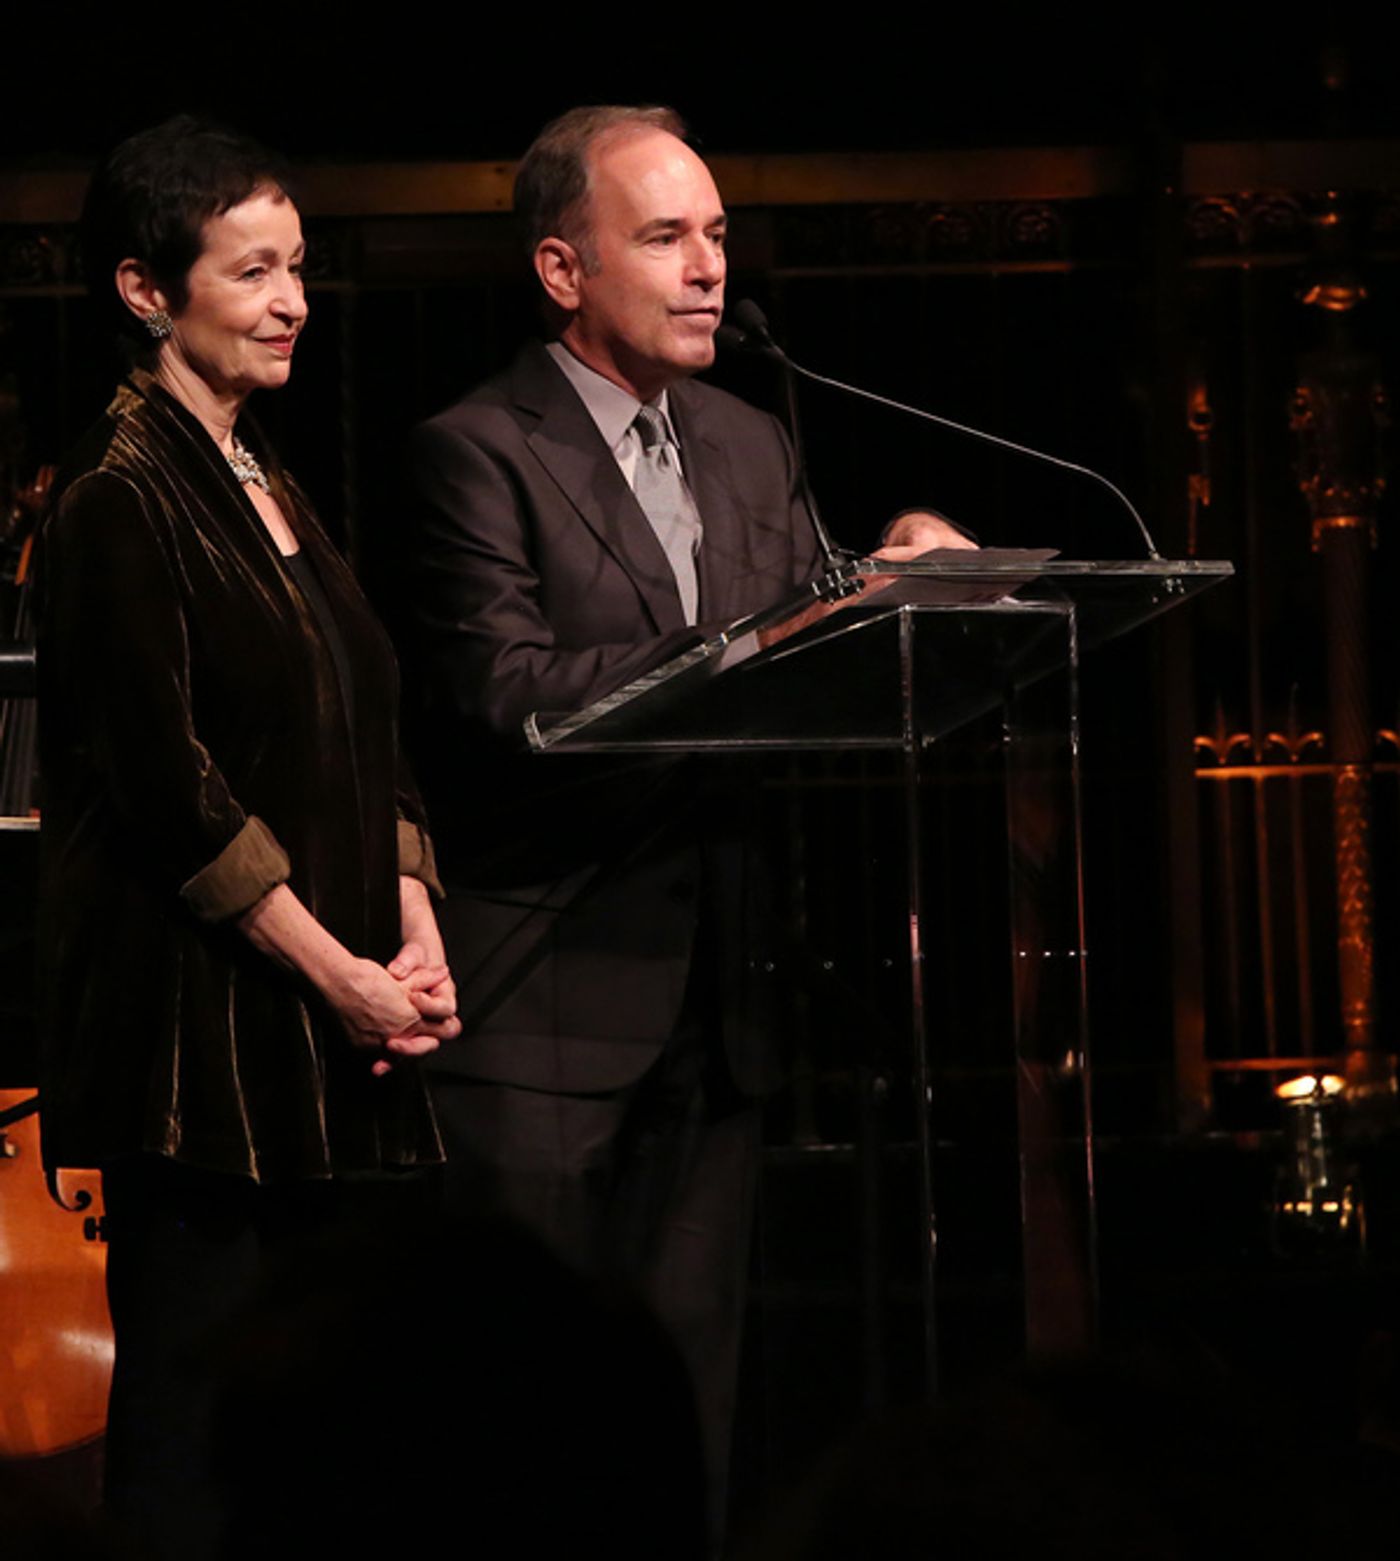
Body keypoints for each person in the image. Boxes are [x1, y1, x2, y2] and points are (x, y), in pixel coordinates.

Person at [402, 104, 971, 1539]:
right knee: (519, 1438)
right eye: (665, 236)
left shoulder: (748, 438)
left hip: (722, 1012)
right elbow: (504, 692)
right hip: (541, 1008)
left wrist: (898, 573)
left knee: (681, 1422)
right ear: (562, 269)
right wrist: (758, 640)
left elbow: (811, 627)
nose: (710, 266)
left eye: (716, 234)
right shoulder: (475, 448)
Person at [35, 116, 459, 1560]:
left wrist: (413, 920)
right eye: (252, 271)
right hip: (201, 1061)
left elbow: (361, 708)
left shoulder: (261, 468)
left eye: (297, 266)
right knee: (191, 1448)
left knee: (320, 1448)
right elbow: (174, 793)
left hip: (323, 1047)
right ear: (148, 292)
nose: (291, 299)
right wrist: (340, 973)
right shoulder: (117, 494)